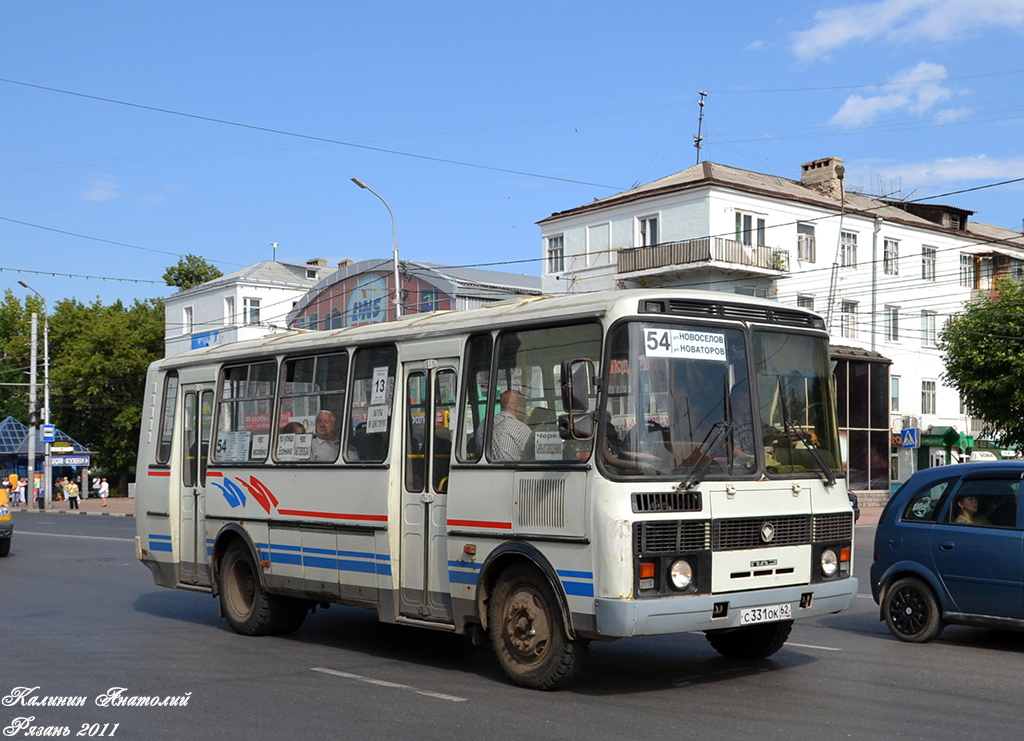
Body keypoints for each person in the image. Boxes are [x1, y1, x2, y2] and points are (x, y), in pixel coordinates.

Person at [489, 389, 530, 461]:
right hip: (516, 470)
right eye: (523, 406)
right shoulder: (521, 429)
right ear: (516, 407)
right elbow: (533, 456)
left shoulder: (484, 425)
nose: (525, 411)